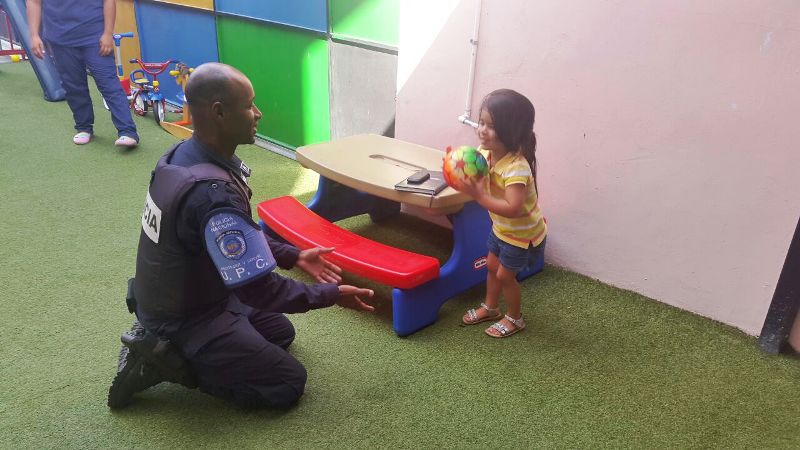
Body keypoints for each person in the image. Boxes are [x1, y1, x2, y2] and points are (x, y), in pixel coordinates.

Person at [107, 62, 374, 409]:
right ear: (219, 113)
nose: (258, 113)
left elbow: (236, 240)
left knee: (280, 333)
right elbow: (259, 289)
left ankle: (175, 340)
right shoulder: (211, 193)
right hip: (186, 317)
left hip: (190, 294)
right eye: (249, 105)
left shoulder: (182, 156)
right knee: (287, 383)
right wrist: (330, 295)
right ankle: (162, 358)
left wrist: (293, 255)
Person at [458, 89, 547, 338]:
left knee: (505, 276)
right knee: (491, 265)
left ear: (512, 131)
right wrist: (457, 166)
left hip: (521, 235)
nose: (482, 130)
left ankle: (515, 318)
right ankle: (491, 307)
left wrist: (479, 196)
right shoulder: (486, 153)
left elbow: (512, 208)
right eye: (482, 122)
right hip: (501, 229)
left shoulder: (516, 168)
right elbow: (472, 170)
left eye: (492, 126)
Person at [26, 0, 139, 147]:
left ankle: (127, 131)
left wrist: (107, 33)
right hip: (60, 38)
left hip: (95, 36)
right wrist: (34, 35)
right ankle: (83, 127)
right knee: (73, 86)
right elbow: (34, 2)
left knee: (108, 83)